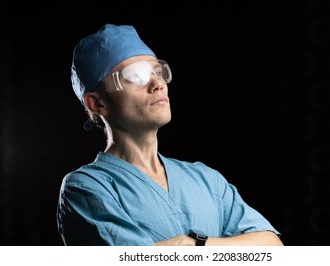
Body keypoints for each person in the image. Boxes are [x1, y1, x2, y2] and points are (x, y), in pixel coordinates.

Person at [56, 23, 284, 246]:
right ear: (97, 103)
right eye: (136, 76)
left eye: (157, 72)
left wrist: (194, 245)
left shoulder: (206, 179)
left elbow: (271, 247)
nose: (158, 84)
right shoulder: (87, 188)